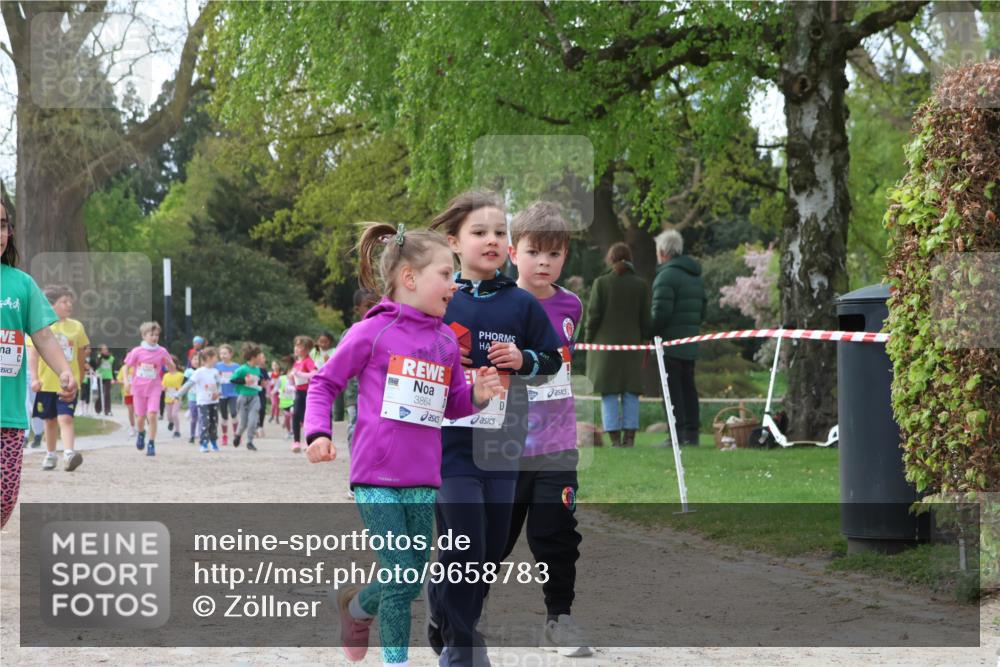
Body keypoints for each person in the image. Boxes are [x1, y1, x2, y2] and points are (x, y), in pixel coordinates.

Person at [304, 222, 503, 666]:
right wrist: (317, 432)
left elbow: (451, 407)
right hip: (375, 476)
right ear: (410, 278)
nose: (454, 285)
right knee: (400, 574)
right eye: (445, 274)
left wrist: (478, 396)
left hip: (422, 477)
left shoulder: (446, 341)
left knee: (410, 579)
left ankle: (354, 607)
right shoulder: (369, 333)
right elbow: (324, 384)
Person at [427, 191, 564, 667]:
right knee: (463, 544)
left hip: (504, 445)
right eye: (479, 232)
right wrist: (441, 355)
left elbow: (552, 361)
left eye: (500, 233)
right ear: (454, 242)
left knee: (483, 553)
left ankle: (442, 615)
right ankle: (464, 650)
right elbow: (400, 354)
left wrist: (525, 359)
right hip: (448, 446)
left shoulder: (522, 304)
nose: (492, 240)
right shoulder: (438, 299)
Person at [501, 201, 591, 656]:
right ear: (513, 252)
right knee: (489, 542)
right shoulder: (495, 302)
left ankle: (561, 621)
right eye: (534, 252)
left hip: (556, 447)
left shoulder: (572, 304)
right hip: (501, 447)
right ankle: (456, 616)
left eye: (554, 254)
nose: (544, 263)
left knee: (555, 534)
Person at [1, 201, 79, 527]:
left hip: (8, 415)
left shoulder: (21, 284)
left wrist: (64, 370)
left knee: (4, 499)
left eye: (3, 224)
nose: (0, 232)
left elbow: (44, 337)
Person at [584, 242, 651, 448]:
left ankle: (614, 440)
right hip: (632, 347)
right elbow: (646, 319)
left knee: (609, 392)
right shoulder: (641, 285)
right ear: (630, 259)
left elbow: (593, 316)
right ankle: (629, 439)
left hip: (605, 349)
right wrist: (645, 340)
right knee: (631, 392)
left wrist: (588, 340)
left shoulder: (601, 283)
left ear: (610, 260)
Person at [651, 229, 707, 447]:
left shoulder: (665, 277)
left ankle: (676, 434)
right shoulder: (696, 277)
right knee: (688, 388)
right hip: (690, 341)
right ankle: (692, 434)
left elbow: (660, 314)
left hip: (670, 344)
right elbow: (703, 310)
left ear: (663, 252)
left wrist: (650, 332)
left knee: (671, 390)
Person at [26, 285, 89, 472]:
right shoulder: (41, 325)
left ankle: (69, 453)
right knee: (49, 420)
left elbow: (81, 355)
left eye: (70, 301)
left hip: (67, 384)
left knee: (66, 417)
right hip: (46, 383)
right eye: (64, 301)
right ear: (50, 304)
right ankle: (51, 453)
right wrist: (35, 378)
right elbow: (33, 355)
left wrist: (80, 377)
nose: (69, 305)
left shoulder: (77, 327)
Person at [122, 321, 177, 456]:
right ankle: (141, 433)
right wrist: (126, 381)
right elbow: (126, 367)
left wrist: (169, 363)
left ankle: (151, 443)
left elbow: (173, 370)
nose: (154, 337)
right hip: (138, 388)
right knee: (140, 417)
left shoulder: (162, 351)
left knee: (152, 415)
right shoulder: (137, 351)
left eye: (157, 335)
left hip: (154, 388)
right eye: (151, 335)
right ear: (143, 335)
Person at [178, 347, 221, 453]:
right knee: (204, 422)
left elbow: (219, 384)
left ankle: (214, 442)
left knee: (214, 422)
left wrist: (218, 392)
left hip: (214, 402)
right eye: (216, 357)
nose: (217, 359)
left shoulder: (215, 371)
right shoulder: (199, 372)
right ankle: (204, 443)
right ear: (209, 358)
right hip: (203, 402)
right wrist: (179, 394)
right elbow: (189, 383)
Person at [229, 342, 266, 451]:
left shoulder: (258, 369)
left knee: (253, 421)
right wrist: (244, 380)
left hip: (255, 397)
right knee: (243, 423)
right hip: (243, 398)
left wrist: (261, 383)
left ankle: (250, 442)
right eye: (259, 355)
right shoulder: (242, 369)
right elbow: (232, 379)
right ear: (253, 357)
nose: (261, 357)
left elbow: (259, 379)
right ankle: (238, 435)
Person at [290, 335, 318, 453]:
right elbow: (293, 377)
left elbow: (315, 373)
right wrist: (290, 384)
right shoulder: (297, 362)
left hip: (308, 392)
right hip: (298, 392)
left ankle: (309, 441)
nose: (296, 348)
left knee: (306, 417)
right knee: (296, 415)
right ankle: (296, 442)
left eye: (300, 346)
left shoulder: (308, 361)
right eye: (296, 346)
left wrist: (301, 374)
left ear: (307, 350)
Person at [215, 344, 240, 446]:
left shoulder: (236, 367)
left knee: (234, 413)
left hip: (234, 393)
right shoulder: (217, 366)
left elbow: (240, 379)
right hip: (222, 394)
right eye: (221, 353)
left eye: (225, 353)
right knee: (224, 416)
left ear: (231, 354)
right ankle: (224, 435)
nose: (223, 355)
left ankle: (236, 435)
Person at [162, 356, 186, 438]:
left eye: (169, 364)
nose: (168, 366)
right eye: (166, 364)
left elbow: (185, 386)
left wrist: (180, 389)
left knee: (174, 414)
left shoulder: (181, 375)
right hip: (168, 399)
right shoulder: (165, 376)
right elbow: (163, 386)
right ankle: (171, 422)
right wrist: (163, 388)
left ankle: (177, 431)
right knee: (169, 416)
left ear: (175, 364)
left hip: (177, 398)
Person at [93, 344, 115, 416]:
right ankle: (98, 409)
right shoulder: (99, 357)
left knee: (107, 394)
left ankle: (107, 411)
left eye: (106, 349)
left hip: (108, 377)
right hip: (100, 377)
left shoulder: (111, 358)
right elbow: (96, 366)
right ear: (101, 351)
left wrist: (113, 378)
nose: (106, 350)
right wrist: (100, 357)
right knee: (100, 394)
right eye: (104, 349)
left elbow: (112, 369)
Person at [117, 363, 136, 437]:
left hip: (137, 392)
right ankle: (132, 427)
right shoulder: (124, 368)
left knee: (138, 411)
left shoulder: (136, 366)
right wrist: (126, 382)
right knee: (131, 410)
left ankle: (140, 427)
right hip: (127, 393)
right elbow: (119, 379)